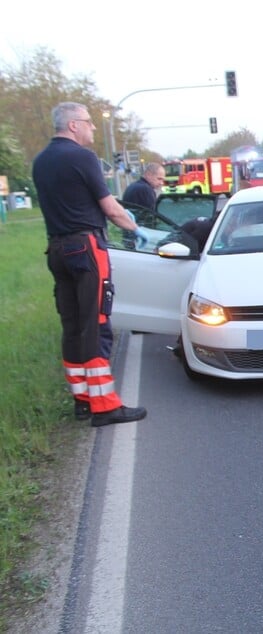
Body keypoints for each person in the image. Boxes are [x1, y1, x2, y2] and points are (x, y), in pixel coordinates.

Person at [32, 102, 148, 427]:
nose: (93, 128)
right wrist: (137, 230)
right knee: (95, 323)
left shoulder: (40, 162)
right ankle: (105, 406)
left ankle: (82, 400)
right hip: (86, 248)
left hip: (56, 249)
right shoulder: (81, 158)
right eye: (88, 122)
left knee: (72, 324)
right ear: (72, 126)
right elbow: (110, 207)